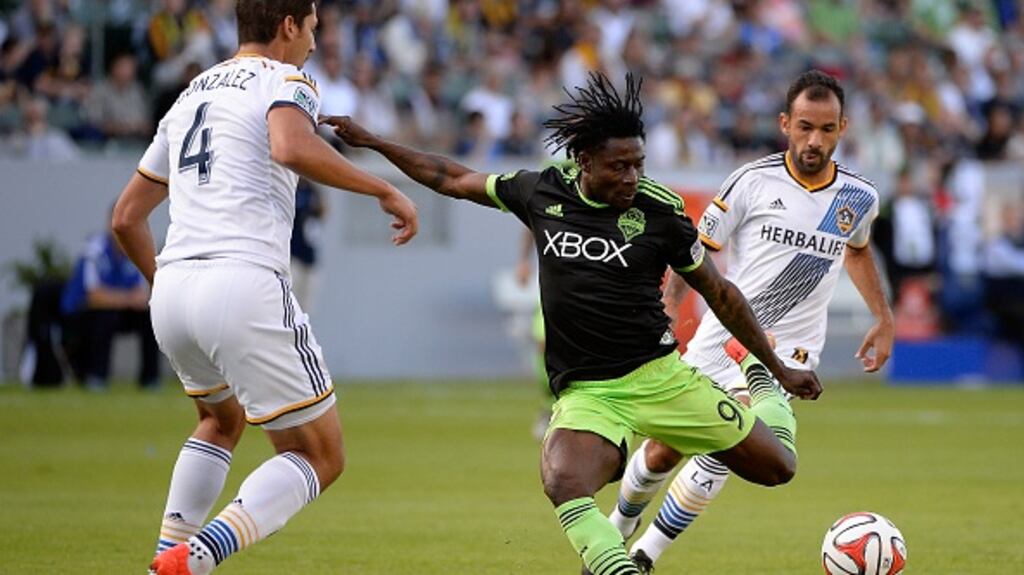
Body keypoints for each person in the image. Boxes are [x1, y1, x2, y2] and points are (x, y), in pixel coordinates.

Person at [322, 71, 821, 575]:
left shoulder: (660, 212)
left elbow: (719, 292)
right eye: (619, 166)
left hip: (661, 378)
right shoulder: (542, 192)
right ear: (583, 162)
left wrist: (776, 368)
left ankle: (755, 380)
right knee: (563, 479)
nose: (631, 177)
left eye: (638, 164)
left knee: (778, 467)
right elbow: (451, 178)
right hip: (588, 392)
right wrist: (374, 142)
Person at [110, 2, 418, 574]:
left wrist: (165, 286)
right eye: (313, 30)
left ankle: (163, 559)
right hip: (244, 279)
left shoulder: (191, 93)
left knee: (218, 421)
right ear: (288, 26)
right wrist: (383, 188)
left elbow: (127, 217)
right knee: (318, 454)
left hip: (174, 288)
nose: (313, 43)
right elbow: (291, 147)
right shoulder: (285, 79)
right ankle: (194, 559)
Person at [604, 70, 893, 569]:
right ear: (785, 123)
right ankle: (616, 529)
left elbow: (859, 251)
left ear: (843, 128)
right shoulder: (751, 181)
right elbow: (693, 251)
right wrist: (668, 313)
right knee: (661, 453)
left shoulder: (858, 196)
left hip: (787, 351)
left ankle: (644, 556)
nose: (814, 140)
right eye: (804, 126)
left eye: (826, 129)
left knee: (734, 442)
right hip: (723, 337)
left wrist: (883, 317)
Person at [60, 217, 159, 391]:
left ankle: (150, 379)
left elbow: (143, 295)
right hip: (81, 314)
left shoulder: (135, 250)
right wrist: (127, 299)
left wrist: (131, 299)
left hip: (117, 311)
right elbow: (94, 297)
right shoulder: (94, 251)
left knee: (149, 317)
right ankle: (97, 376)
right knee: (104, 317)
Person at [290, 178, 325, 313]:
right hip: (293, 256)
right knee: (292, 301)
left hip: (310, 257)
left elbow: (323, 211)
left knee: (307, 306)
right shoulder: (293, 189)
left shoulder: (312, 190)